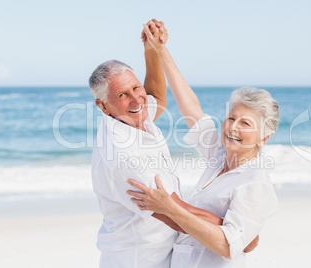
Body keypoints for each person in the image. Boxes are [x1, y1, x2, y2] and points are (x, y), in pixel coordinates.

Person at [89, 19, 256, 268]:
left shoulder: (133, 117)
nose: (137, 100)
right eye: (122, 95)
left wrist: (151, 50)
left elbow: (156, 97)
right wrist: (239, 233)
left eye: (136, 87)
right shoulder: (123, 155)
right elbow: (177, 216)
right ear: (103, 106)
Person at [127, 21, 279, 267]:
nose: (233, 127)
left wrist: (171, 208)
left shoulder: (256, 182)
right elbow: (191, 108)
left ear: (264, 138)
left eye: (246, 124)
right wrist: (160, 50)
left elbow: (228, 246)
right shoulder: (220, 155)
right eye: (231, 118)